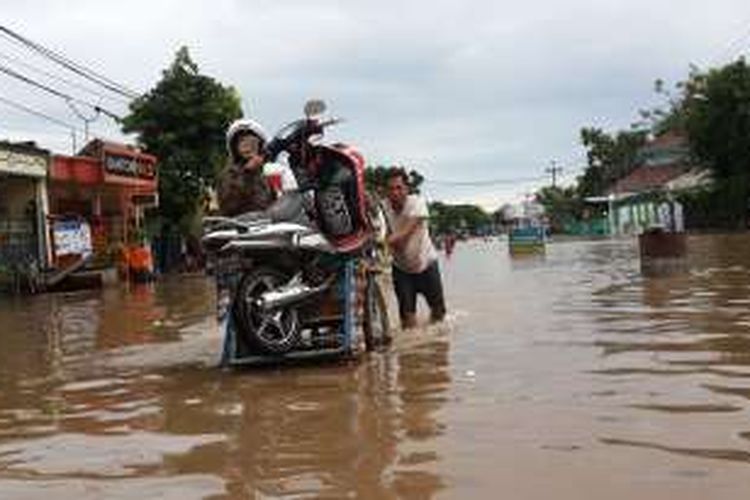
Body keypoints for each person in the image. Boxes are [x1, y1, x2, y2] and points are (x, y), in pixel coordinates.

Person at [383, 168, 446, 329]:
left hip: (426, 265)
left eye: (399, 188)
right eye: (390, 189)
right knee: (407, 321)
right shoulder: (382, 208)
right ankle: (411, 352)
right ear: (386, 191)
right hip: (401, 270)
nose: (395, 192)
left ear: (407, 189)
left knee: (439, 313)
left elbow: (404, 234)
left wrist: (382, 241)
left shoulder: (417, 203)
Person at [217, 119, 277, 216]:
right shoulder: (229, 174)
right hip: (239, 227)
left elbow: (277, 206)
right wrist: (248, 173)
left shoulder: (267, 173)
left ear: (260, 145)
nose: (247, 145)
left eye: (252, 141)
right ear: (235, 147)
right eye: (241, 141)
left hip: (267, 226)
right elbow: (229, 206)